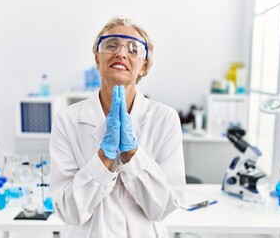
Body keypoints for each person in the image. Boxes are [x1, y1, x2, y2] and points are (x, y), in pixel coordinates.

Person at [50, 16, 186, 238]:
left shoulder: (165, 119)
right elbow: (67, 211)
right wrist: (104, 158)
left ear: (144, 66)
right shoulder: (67, 120)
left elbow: (163, 207)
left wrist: (132, 153)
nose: (121, 53)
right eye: (111, 45)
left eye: (133, 49)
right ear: (97, 59)